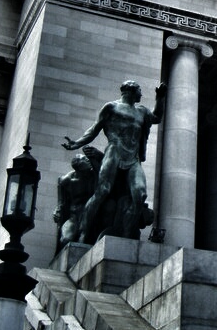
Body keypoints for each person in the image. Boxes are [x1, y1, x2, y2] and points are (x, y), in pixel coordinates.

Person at [62, 80, 166, 242]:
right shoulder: (111, 107)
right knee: (102, 191)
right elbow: (94, 129)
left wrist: (160, 98)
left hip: (133, 158)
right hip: (114, 153)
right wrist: (76, 143)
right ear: (129, 91)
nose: (141, 94)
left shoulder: (142, 111)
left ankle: (125, 235)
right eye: (139, 90)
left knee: (140, 194)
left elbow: (157, 117)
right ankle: (83, 233)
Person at [53, 147, 102, 247]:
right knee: (66, 240)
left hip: (91, 216)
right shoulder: (66, 180)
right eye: (84, 159)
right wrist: (57, 210)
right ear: (79, 166)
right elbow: (61, 203)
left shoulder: (94, 174)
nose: (88, 160)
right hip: (74, 216)